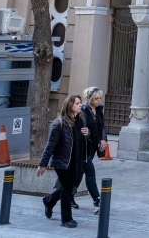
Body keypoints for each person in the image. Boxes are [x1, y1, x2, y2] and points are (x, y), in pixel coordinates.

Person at [37, 95, 89, 228]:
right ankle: (66, 219)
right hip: (62, 162)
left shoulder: (80, 121)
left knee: (68, 186)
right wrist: (43, 164)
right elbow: (50, 146)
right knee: (67, 188)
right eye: (77, 103)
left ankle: (49, 201)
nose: (80, 105)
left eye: (79, 103)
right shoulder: (59, 124)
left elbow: (82, 142)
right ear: (70, 105)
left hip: (76, 161)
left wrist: (86, 134)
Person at [79, 86, 108, 214]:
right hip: (83, 148)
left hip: (92, 147)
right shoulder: (84, 111)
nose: (98, 101)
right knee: (90, 172)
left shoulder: (99, 110)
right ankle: (97, 200)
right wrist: (90, 134)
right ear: (89, 98)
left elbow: (102, 127)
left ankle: (53, 198)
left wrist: (103, 139)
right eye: (96, 98)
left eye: (100, 98)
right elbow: (83, 130)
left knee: (78, 174)